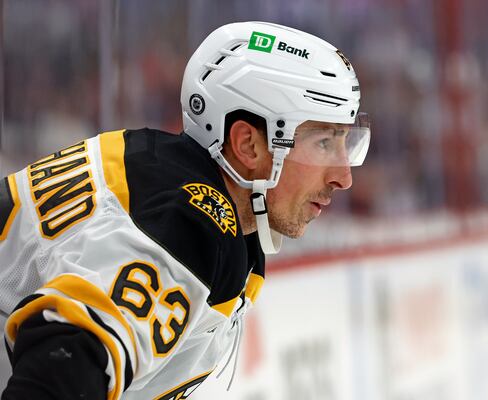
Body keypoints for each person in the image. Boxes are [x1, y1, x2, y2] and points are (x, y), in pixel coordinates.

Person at [0, 21, 370, 399]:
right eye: (324, 142)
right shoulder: (186, 224)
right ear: (249, 145)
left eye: (346, 142)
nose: (344, 177)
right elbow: (61, 366)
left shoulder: (161, 177)